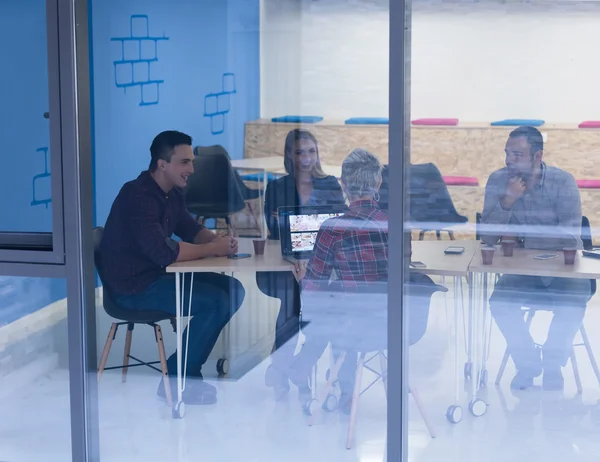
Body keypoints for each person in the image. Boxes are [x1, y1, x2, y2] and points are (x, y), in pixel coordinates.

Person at [99, 130, 245, 405]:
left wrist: (216, 239)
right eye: (184, 162)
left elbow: (189, 228)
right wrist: (214, 249)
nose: (191, 169)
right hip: (133, 289)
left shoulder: (171, 193)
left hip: (155, 278)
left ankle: (179, 371)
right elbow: (163, 253)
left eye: (191, 161)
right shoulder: (138, 196)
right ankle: (179, 378)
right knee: (215, 302)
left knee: (233, 289)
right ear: (161, 164)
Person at [481, 125, 590, 391]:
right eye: (507, 153)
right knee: (499, 303)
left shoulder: (562, 182)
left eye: (517, 155)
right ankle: (528, 362)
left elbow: (569, 235)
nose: (509, 160)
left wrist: (524, 241)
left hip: (562, 270)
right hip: (521, 271)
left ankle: (552, 364)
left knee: (575, 299)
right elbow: (486, 238)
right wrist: (507, 201)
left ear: (537, 156)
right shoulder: (498, 181)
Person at [258, 129, 345, 398]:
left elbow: (339, 223)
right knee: (292, 300)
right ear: (288, 155)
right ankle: (291, 369)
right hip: (287, 260)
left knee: (321, 304)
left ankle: (285, 368)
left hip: (324, 260)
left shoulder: (330, 184)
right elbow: (274, 232)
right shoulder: (276, 187)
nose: (306, 158)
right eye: (299, 152)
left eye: (311, 151)